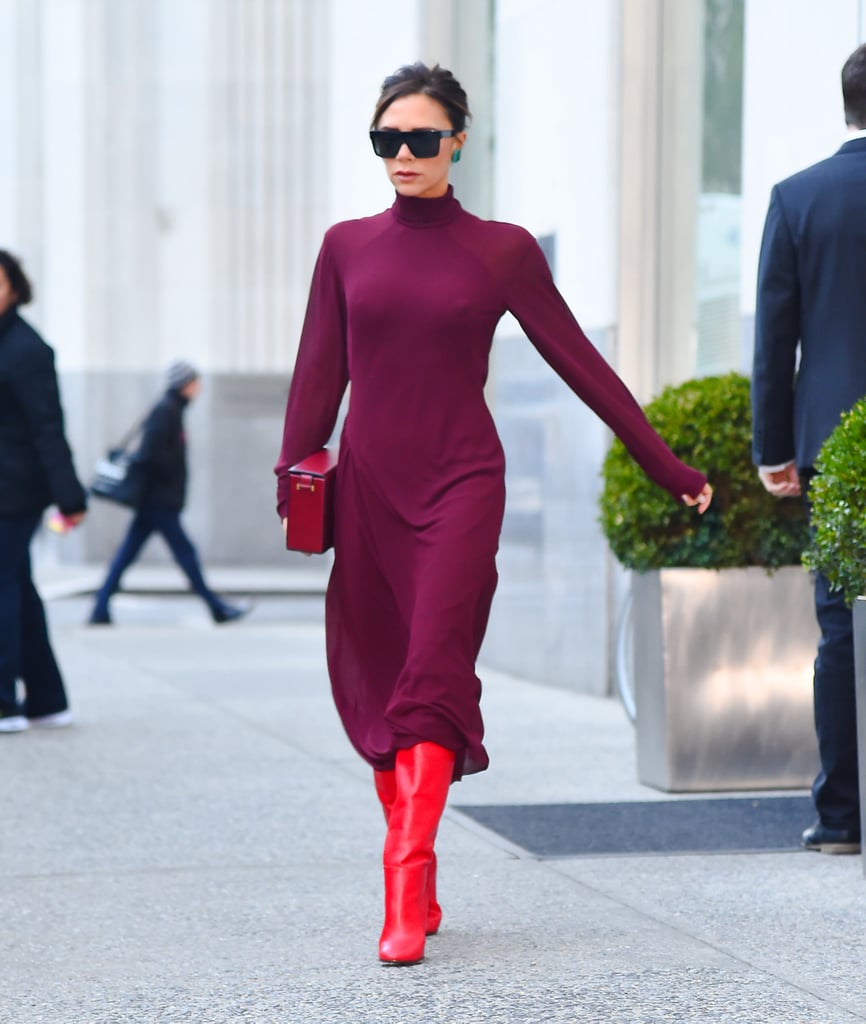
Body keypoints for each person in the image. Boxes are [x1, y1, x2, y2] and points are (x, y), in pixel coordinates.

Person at [274, 62, 713, 966]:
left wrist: (664, 464)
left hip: (462, 489)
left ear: (458, 142)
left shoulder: (502, 249)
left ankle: (404, 878)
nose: (403, 154)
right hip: (367, 491)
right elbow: (319, 374)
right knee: (380, 683)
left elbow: (580, 363)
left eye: (421, 139)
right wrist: (294, 478)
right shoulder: (346, 246)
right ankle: (421, 886)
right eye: (386, 140)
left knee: (432, 675)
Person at [752, 43, 866, 857]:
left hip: (831, 441)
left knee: (842, 626)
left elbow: (774, 342)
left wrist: (774, 448)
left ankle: (841, 819)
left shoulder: (799, 198)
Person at [89, 361, 250, 626]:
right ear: (184, 384)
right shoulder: (166, 411)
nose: (198, 388)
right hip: (158, 501)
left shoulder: (171, 409)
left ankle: (100, 607)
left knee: (127, 554)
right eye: (195, 382)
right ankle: (215, 607)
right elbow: (151, 454)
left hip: (157, 500)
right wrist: (171, 480)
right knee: (185, 554)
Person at [0, 249, 87, 733]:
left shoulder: (26, 349)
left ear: (15, 288)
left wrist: (69, 495)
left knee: (3, 586)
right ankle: (48, 700)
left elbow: (47, 427)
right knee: (19, 589)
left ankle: (5, 701)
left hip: (14, 490)